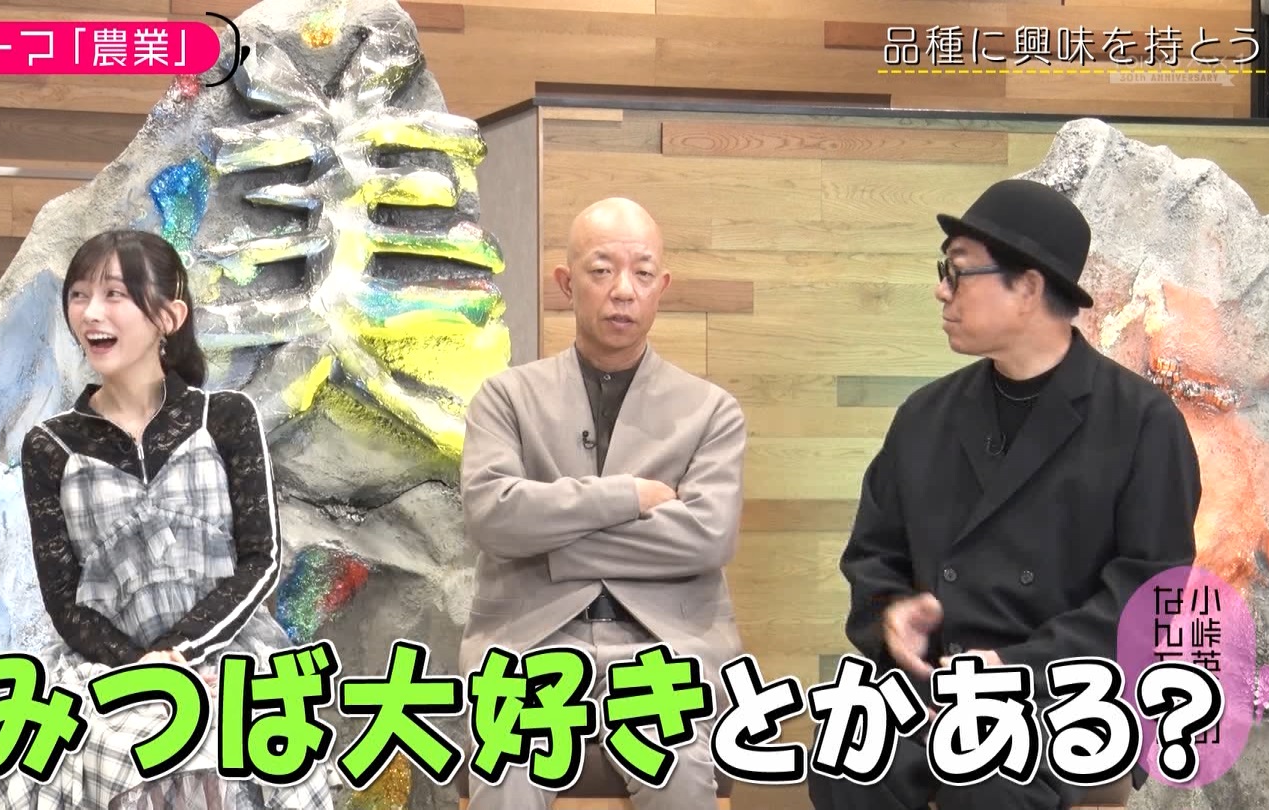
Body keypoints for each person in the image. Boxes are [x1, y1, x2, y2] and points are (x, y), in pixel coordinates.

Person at [807, 179, 1201, 810]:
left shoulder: (1141, 423)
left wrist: (1020, 669)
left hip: (1070, 696)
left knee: (985, 782)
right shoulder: (926, 416)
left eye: (958, 271)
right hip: (933, 686)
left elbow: (1151, 598)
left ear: (1029, 286)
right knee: (847, 765)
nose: (942, 290)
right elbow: (873, 555)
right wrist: (891, 614)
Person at [0, 230, 334, 810]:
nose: (90, 313)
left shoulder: (225, 416)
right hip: (106, 663)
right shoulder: (49, 444)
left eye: (114, 294)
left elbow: (261, 559)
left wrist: (179, 650)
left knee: (232, 746)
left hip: (225, 650)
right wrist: (141, 667)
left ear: (169, 316)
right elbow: (63, 600)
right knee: (91, 754)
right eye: (79, 295)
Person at [458, 197, 747, 809]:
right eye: (601, 270)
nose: (623, 290)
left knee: (680, 770)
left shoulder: (711, 411)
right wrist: (629, 497)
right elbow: (493, 517)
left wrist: (554, 541)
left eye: (642, 273)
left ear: (662, 286)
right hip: (530, 649)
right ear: (567, 283)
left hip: (663, 652)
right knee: (503, 770)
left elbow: (707, 536)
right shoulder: (504, 398)